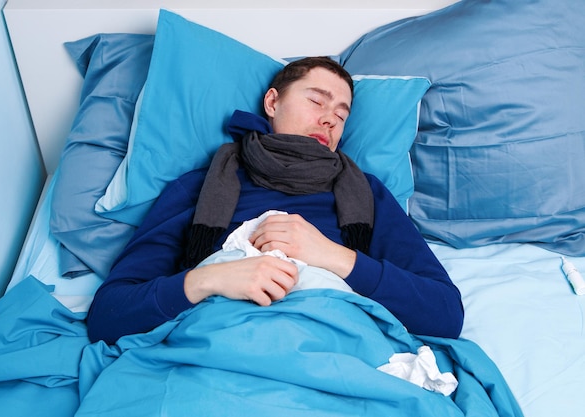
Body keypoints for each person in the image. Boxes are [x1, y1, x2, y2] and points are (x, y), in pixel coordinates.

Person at [86, 57, 464, 345]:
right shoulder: (200, 188)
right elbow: (108, 316)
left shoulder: (366, 194)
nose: (330, 120)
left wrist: (333, 256)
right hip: (220, 343)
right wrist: (208, 279)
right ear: (272, 102)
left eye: (341, 114)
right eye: (317, 101)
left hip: (331, 344)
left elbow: (444, 314)